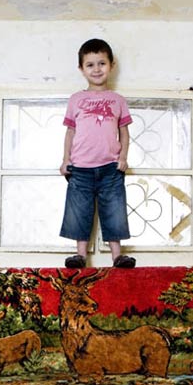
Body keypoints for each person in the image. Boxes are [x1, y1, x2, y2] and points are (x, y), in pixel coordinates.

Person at [59, 38, 136, 269]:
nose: (96, 69)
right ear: (81, 69)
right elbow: (70, 132)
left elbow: (124, 133)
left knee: (114, 209)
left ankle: (117, 256)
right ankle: (80, 255)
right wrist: (65, 160)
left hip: (110, 168)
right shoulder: (76, 99)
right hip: (80, 168)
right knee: (79, 210)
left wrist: (123, 158)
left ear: (111, 65)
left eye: (102, 63)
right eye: (90, 65)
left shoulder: (118, 100)